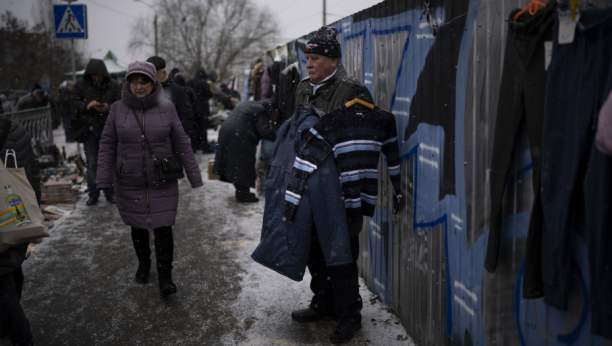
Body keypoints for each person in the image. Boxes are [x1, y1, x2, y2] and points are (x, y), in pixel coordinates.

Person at [290, 25, 374, 343]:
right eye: (307, 58)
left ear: (333, 60)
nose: (308, 64)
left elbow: (363, 143)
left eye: (315, 58)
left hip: (340, 189)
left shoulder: (353, 92)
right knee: (312, 248)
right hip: (307, 183)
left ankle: (349, 314)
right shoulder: (301, 88)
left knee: (340, 252)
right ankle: (323, 302)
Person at [96, 61, 203, 296]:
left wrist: (195, 176)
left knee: (164, 228)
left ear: (153, 82)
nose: (138, 86)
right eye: (134, 81)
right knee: (138, 226)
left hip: (162, 180)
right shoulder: (116, 109)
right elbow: (107, 145)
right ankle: (143, 263)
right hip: (129, 180)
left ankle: (166, 275)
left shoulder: (167, 108)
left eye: (143, 81)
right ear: (127, 83)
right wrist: (102, 179)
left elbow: (182, 143)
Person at [0, 106, 41, 346]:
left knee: (2, 281)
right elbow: (33, 174)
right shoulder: (16, 129)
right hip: (18, 215)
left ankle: (21, 337)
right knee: (11, 268)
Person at [70, 58, 121, 206]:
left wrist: (109, 107)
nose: (96, 78)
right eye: (93, 75)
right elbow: (73, 102)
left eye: (99, 75)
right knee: (92, 164)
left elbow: (122, 103)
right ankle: (93, 193)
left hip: (109, 131)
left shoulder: (114, 85)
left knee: (109, 164)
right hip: (89, 131)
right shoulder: (81, 85)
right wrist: (87, 106)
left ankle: (110, 192)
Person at [212, 99, 276, 203]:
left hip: (227, 131)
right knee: (243, 164)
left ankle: (241, 191)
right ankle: (243, 194)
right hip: (240, 135)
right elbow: (265, 131)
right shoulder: (261, 111)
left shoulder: (249, 105)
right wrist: (277, 135)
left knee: (234, 164)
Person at [146, 56, 194, 132]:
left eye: (155, 73)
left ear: (163, 73)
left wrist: (174, 135)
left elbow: (186, 116)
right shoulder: (142, 89)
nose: (151, 76)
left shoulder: (177, 90)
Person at [174, 73, 202, 153]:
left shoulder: (176, 90)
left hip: (178, 115)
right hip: (189, 114)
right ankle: (193, 148)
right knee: (192, 133)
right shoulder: (189, 90)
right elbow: (195, 103)